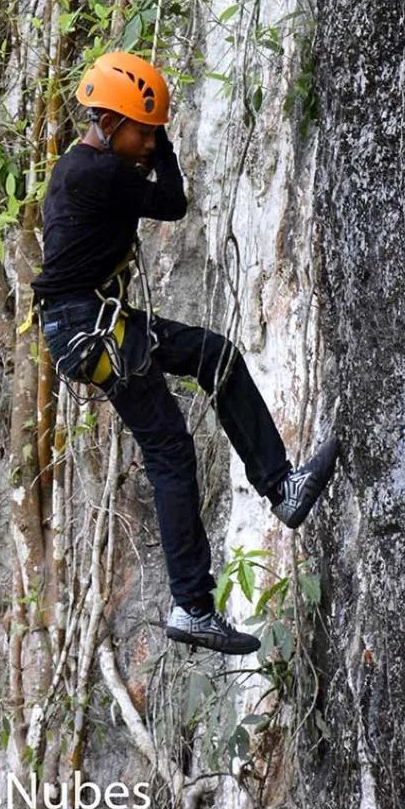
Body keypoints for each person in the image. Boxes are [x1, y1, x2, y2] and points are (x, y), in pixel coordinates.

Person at [32, 51, 339, 655]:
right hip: (91, 327)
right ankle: (194, 603)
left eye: (153, 132)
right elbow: (172, 201)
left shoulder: (85, 164)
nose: (148, 143)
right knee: (170, 450)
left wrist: (152, 134)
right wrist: (165, 144)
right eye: (142, 131)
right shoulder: (98, 174)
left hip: (91, 323)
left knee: (214, 359)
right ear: (111, 124)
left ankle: (282, 489)